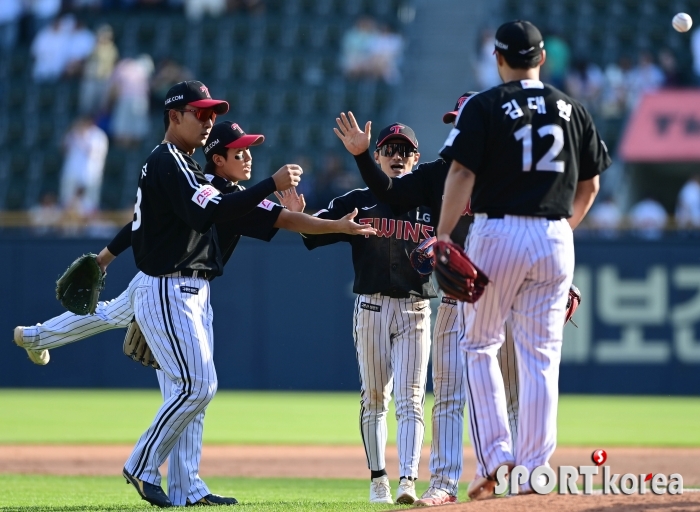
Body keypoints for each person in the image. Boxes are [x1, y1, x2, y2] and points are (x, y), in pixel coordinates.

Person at [12, 116, 375, 506]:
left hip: (187, 289)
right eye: (240, 152)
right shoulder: (198, 184)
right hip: (164, 284)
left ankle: (187, 486)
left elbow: (288, 219)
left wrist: (337, 226)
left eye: (250, 149)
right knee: (189, 383)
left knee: (154, 359)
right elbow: (144, 222)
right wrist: (104, 258)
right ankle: (149, 467)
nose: (249, 157)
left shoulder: (241, 198)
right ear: (217, 158)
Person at [436, 20, 609, 496]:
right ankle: (534, 471)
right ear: (542, 59)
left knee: (480, 345)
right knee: (541, 358)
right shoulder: (572, 108)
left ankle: (495, 460)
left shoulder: (485, 104)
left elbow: (461, 173)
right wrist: (558, 232)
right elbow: (591, 185)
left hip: (499, 231)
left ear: (498, 58)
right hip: (555, 234)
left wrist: (445, 235)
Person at [333, 100, 520, 505]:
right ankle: (443, 484)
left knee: (513, 395)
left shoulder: (512, 169)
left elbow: (541, 223)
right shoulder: (439, 173)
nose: (460, 131)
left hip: (504, 295)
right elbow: (390, 192)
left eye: (466, 123)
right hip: (455, 297)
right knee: (448, 396)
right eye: (455, 123)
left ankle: (518, 482)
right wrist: (363, 156)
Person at [303, 123, 434, 505]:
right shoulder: (358, 200)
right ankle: (379, 480)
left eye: (404, 150)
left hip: (416, 308)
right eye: (389, 149)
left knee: (411, 398)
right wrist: (301, 218)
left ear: (416, 158)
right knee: (375, 397)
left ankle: (408, 480)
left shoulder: (432, 202)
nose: (397, 156)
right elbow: (314, 232)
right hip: (373, 306)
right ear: (376, 157)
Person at [59, 117, 109, 211]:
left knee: (90, 205)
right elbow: (63, 148)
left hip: (91, 175)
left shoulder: (98, 135)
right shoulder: (73, 133)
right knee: (67, 203)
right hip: (72, 174)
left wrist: (83, 137)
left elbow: (94, 153)